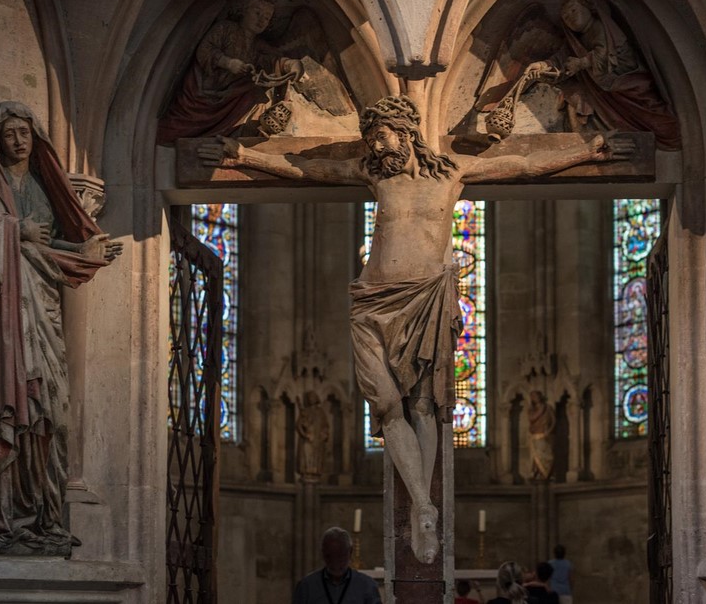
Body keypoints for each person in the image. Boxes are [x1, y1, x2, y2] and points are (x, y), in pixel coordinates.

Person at [199, 94, 630, 562]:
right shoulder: (373, 175)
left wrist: (588, 152)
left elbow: (524, 166)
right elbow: (311, 171)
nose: (375, 146)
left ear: (405, 133)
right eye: (370, 138)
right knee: (386, 406)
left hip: (424, 298)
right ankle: (423, 503)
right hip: (370, 301)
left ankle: (424, 507)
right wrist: (243, 156)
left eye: (381, 136)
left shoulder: (452, 174)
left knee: (423, 406)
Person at [0, 101, 122, 554]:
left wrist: (86, 253)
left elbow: (50, 248)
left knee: (50, 414)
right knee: (4, 409)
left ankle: (41, 517)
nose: (18, 141)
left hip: (41, 313)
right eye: (9, 133)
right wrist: (15, 230)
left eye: (25, 133)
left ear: (36, 137)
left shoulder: (45, 193)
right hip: (3, 320)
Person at [526, 0, 680, 150]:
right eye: (566, 17)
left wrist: (581, 63)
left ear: (589, 9)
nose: (571, 18)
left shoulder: (601, 28)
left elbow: (607, 54)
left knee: (655, 117)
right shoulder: (576, 41)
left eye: (574, 10)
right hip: (607, 90)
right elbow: (562, 58)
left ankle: (671, 137)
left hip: (628, 82)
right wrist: (543, 65)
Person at [157, 0, 298, 143]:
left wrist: (290, 64)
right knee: (170, 131)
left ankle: (225, 140)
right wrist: (227, 62)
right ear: (244, 10)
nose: (261, 20)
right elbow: (205, 49)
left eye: (267, 18)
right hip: (202, 92)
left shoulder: (257, 45)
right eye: (257, 13)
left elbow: (272, 59)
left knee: (252, 94)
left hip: (230, 98)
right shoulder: (225, 28)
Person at [292, 527, 381, 604]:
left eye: (340, 556)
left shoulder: (367, 586)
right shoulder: (306, 587)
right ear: (323, 553)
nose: (335, 563)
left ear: (350, 552)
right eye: (329, 556)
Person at [296, 390, 330, 481]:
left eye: (313, 397)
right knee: (307, 460)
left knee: (317, 459)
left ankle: (316, 470)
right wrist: (304, 434)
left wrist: (324, 434)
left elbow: (325, 426)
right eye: (309, 397)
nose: (311, 399)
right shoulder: (305, 411)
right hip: (308, 440)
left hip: (318, 440)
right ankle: (307, 472)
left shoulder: (321, 412)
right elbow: (299, 425)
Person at [527, 390, 555, 480]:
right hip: (536, 435)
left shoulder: (548, 408)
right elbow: (531, 418)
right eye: (532, 397)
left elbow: (554, 421)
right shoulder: (532, 409)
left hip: (545, 435)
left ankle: (548, 473)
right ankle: (536, 473)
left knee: (548, 456)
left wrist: (549, 430)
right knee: (536, 456)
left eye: (535, 396)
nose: (534, 398)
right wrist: (541, 409)